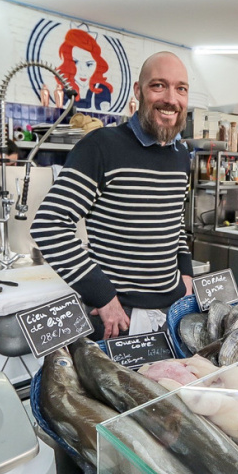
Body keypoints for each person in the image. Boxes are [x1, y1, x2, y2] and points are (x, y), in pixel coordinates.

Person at [31, 51, 193, 340]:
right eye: (158, 85)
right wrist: (103, 296)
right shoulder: (101, 146)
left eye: (180, 88)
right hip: (117, 319)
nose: (171, 98)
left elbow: (175, 220)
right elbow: (49, 226)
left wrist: (186, 273)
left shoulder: (181, 154)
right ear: (138, 91)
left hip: (171, 312)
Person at [57, 28, 113, 112]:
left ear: (97, 64)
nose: (82, 71)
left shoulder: (102, 90)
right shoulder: (64, 90)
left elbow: (106, 116)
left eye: (89, 64)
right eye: (75, 62)